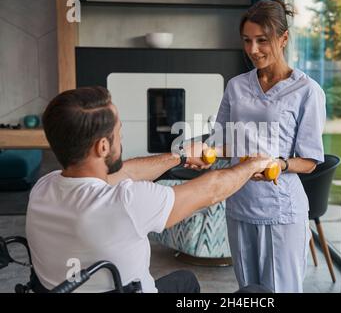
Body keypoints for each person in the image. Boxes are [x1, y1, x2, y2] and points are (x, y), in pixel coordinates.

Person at [25, 86, 273, 293]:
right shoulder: (127, 203)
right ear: (102, 147)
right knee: (256, 293)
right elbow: (211, 190)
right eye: (118, 132)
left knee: (185, 282)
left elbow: (126, 172)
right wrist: (252, 165)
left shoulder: (42, 188)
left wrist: (181, 155)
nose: (121, 138)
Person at [213, 0, 326, 293]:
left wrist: (280, 164)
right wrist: (200, 152)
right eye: (247, 40)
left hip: (281, 209)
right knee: (248, 291)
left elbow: (310, 160)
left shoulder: (307, 91)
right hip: (238, 203)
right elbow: (223, 141)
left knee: (280, 290)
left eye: (262, 40)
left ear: (283, 38)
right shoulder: (236, 85)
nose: (253, 50)